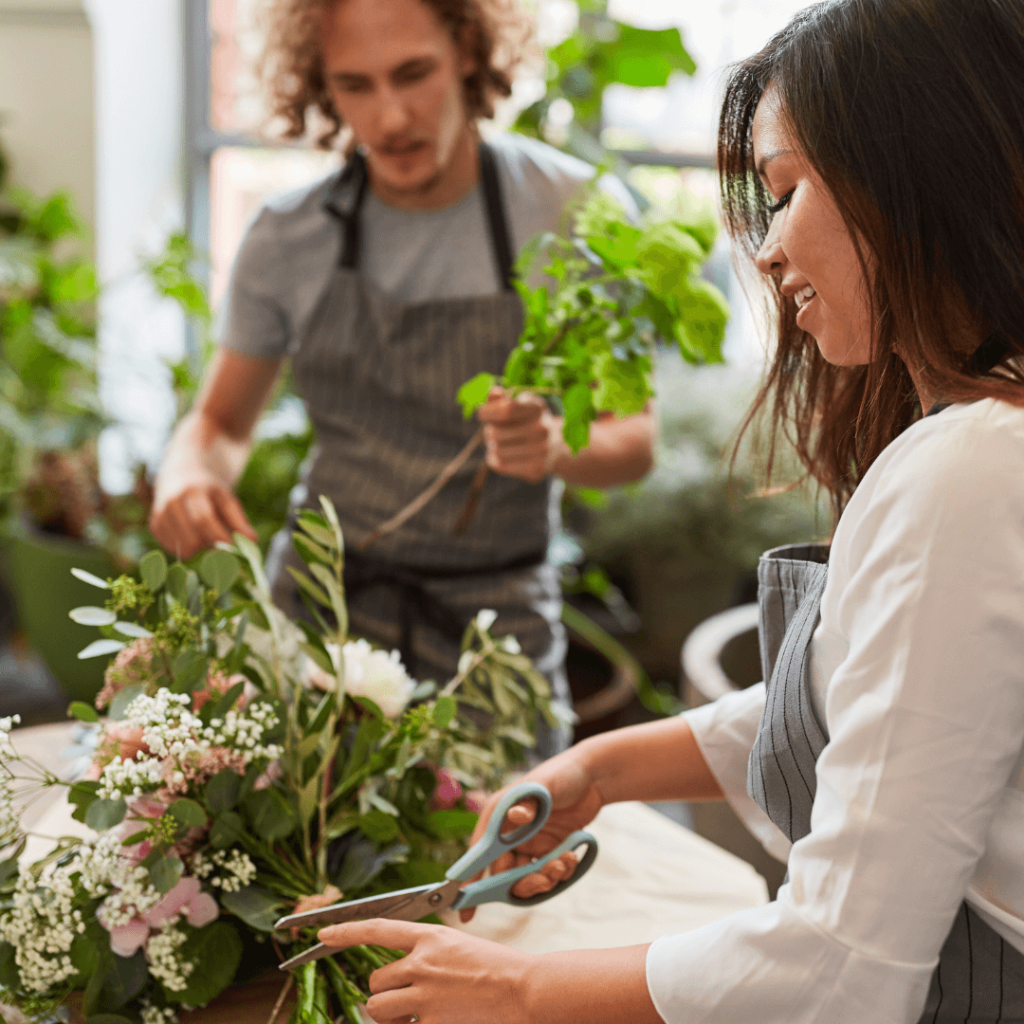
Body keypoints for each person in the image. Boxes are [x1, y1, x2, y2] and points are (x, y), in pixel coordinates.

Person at [314, 1, 1024, 1021]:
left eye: (784, 194)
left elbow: (842, 964)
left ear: (907, 180)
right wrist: (605, 766)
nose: (769, 251)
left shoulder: (968, 471)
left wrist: (512, 989)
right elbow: (896, 694)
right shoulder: (981, 443)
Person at [149, 0, 656, 759]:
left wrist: (553, 445)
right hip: (324, 607)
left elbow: (635, 441)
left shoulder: (571, 212)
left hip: (496, 625)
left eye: (412, 74)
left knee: (512, 854)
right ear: (322, 87)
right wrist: (185, 473)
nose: (389, 119)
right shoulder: (289, 238)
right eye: (355, 85)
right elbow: (221, 424)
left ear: (467, 49)